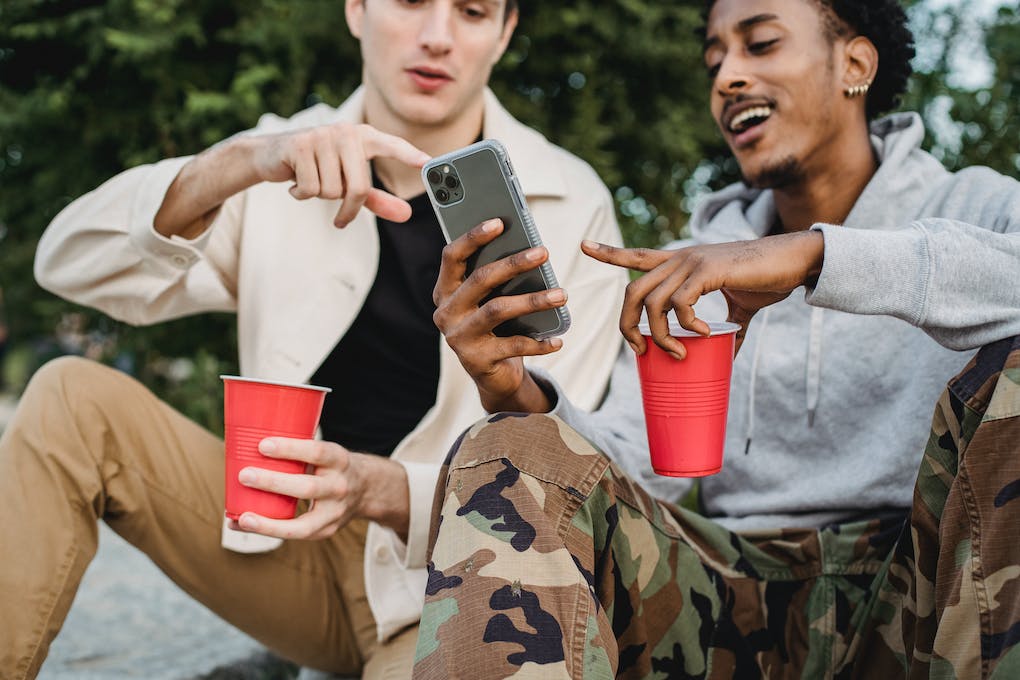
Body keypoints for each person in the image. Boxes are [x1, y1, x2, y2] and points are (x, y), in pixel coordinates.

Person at [0, 0, 627, 677]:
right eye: (411, 2)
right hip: (282, 545)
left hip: (452, 591)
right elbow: (66, 263)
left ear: (504, 33)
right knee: (69, 397)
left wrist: (377, 488)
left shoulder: (568, 200)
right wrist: (238, 163)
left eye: (472, 11)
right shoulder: (280, 158)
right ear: (356, 9)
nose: (437, 37)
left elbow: (571, 483)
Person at [413, 0, 1020, 677]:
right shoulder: (690, 266)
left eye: (759, 44)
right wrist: (511, 389)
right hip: (729, 598)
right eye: (714, 58)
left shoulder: (981, 208)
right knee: (507, 446)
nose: (727, 76)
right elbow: (624, 467)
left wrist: (813, 257)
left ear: (856, 64)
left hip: (930, 591)